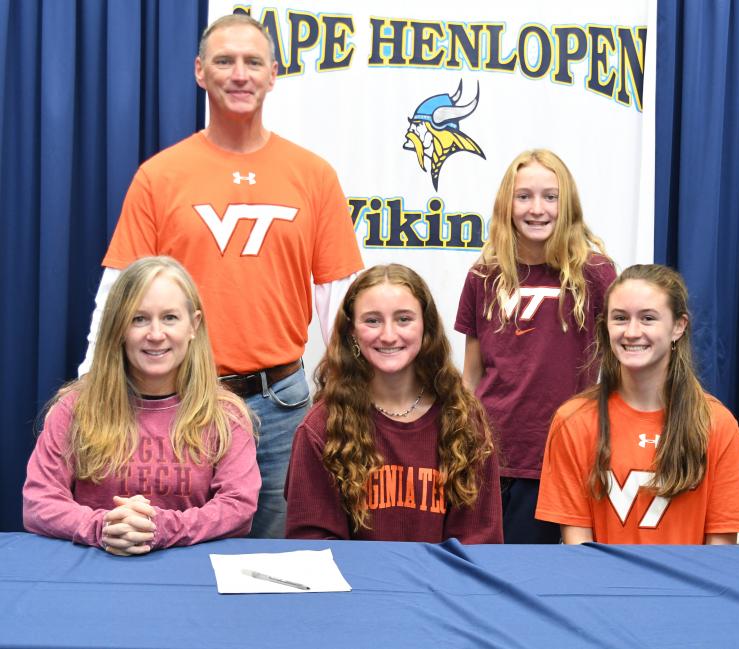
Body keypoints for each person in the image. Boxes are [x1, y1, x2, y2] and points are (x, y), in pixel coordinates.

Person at [78, 14, 363, 538]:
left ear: (273, 74)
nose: (239, 74)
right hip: (182, 407)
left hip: (284, 405)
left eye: (253, 61)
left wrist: (359, 394)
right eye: (224, 61)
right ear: (199, 72)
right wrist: (89, 385)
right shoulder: (159, 176)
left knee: (277, 567)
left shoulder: (314, 175)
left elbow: (341, 301)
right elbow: (118, 295)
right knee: (177, 560)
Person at [24, 257, 260, 555]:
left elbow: (238, 507)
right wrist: (102, 528)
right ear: (118, 328)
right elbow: (38, 502)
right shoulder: (73, 410)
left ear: (193, 325)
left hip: (192, 578)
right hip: (95, 574)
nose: (156, 334)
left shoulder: (227, 415)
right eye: (139, 319)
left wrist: (160, 528)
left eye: (170, 318)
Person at [455, 149, 616, 543]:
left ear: (568, 204)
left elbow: (619, 362)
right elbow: (471, 374)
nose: (537, 208)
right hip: (490, 452)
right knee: (486, 570)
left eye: (550, 196)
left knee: (537, 575)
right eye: (524, 196)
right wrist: (459, 439)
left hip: (558, 453)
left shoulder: (595, 273)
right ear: (507, 204)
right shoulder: (483, 274)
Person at [535, 264, 739, 544]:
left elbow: (721, 556)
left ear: (678, 326)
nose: (631, 332)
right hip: (604, 587)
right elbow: (578, 552)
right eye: (620, 318)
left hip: (690, 589)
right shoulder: (573, 420)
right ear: (605, 325)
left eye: (648, 318)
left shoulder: (716, 423)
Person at [285, 264, 502, 543]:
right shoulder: (320, 428)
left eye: (403, 319)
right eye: (372, 320)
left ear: (427, 327)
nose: (388, 335)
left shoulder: (464, 421)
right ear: (351, 331)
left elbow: (479, 544)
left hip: (442, 585)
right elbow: (313, 549)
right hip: (358, 586)